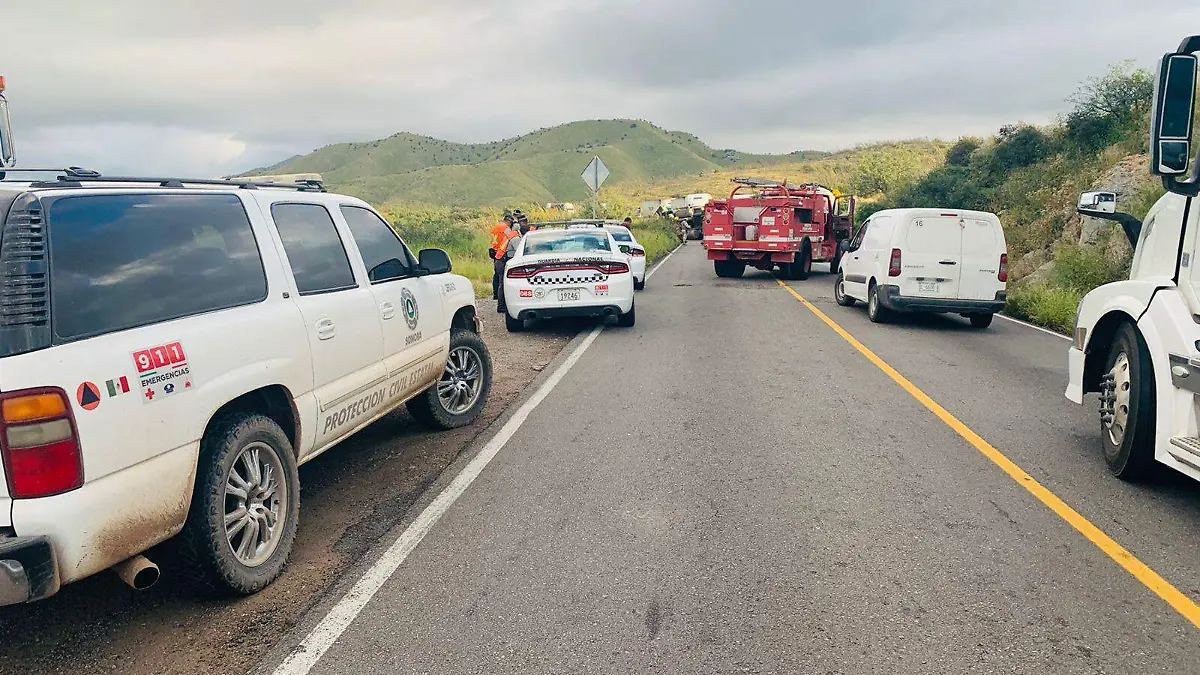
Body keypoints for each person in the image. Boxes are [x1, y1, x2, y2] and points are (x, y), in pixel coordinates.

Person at [497, 217, 532, 315]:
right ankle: (501, 306)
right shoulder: (516, 238)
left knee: (502, 283)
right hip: (502, 260)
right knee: (503, 283)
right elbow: (519, 252)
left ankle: (501, 305)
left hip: (502, 258)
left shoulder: (514, 234)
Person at [490, 211, 515, 300]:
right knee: (502, 276)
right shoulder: (506, 229)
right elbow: (510, 239)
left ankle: (495, 294)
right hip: (502, 252)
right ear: (508, 221)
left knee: (496, 274)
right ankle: (502, 295)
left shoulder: (495, 227)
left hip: (495, 251)